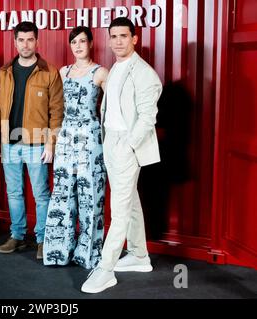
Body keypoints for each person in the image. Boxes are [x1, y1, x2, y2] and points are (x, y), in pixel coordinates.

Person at [81, 17, 163, 293]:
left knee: (119, 209)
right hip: (110, 142)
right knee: (131, 201)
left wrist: (128, 145)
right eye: (113, 36)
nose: (117, 41)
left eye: (123, 36)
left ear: (135, 38)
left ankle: (106, 269)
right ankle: (139, 255)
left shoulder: (144, 74)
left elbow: (148, 117)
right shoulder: (116, 66)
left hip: (127, 146)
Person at [0, 21, 64, 259]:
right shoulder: (4, 73)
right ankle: (17, 236)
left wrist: (51, 143)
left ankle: (43, 239)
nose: (25, 44)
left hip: (38, 143)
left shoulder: (49, 72)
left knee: (41, 194)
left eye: (30, 39)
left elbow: (57, 112)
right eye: (21, 39)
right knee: (14, 193)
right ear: (15, 41)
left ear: (37, 41)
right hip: (9, 143)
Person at [43, 26, 108, 269]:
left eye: (82, 41)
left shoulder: (101, 72)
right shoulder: (63, 72)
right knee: (62, 193)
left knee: (90, 194)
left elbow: (114, 107)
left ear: (91, 43)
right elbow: (55, 109)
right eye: (74, 42)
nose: (78, 46)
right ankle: (59, 251)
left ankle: (89, 254)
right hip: (65, 137)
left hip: (90, 138)